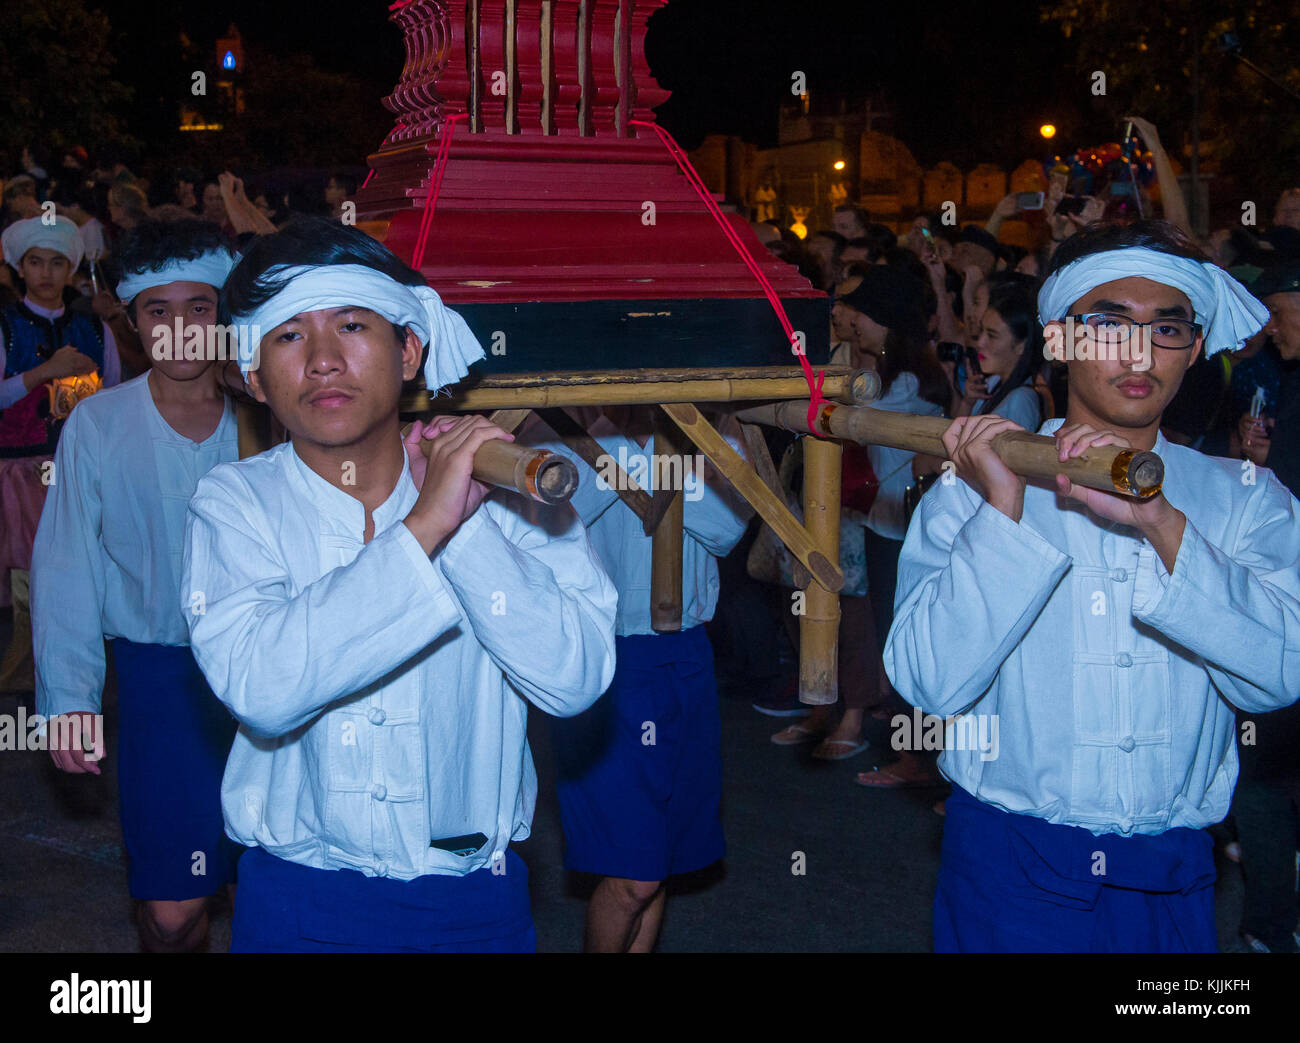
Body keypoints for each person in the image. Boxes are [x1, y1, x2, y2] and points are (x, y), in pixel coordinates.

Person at [183, 217, 617, 952]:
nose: (323, 359)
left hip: (471, 909)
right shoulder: (234, 503)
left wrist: (468, 528)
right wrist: (425, 527)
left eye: (352, 325)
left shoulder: (504, 488)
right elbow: (262, 682)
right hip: (296, 904)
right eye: (288, 335)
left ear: (409, 349)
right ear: (253, 376)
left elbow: (575, 678)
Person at [885, 219, 1300, 953]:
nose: (1140, 352)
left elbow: (1280, 672)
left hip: (1175, 875)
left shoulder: (1243, 497)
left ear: (1195, 347)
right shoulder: (974, 488)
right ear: (1060, 340)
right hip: (1009, 868)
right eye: (1108, 325)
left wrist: (1162, 523)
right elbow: (929, 684)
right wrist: (1005, 513)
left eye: (1167, 329)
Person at [32, 219, 242, 952]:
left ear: (226, 315)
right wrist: (69, 698)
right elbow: (66, 569)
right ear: (131, 320)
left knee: (269, 882)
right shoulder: (98, 423)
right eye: (158, 310)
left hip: (278, 681)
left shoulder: (273, 419)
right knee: (173, 908)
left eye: (200, 308)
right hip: (161, 687)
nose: (180, 328)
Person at [523, 405, 751, 951]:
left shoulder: (713, 434)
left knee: (662, 855)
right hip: (603, 661)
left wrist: (651, 454)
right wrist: (638, 452)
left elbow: (726, 528)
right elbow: (555, 521)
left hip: (688, 653)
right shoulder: (548, 432)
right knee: (634, 873)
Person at [774, 265, 945, 763]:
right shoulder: (864, 363)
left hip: (901, 522)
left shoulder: (908, 379)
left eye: (863, 312)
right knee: (862, 619)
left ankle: (910, 752)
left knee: (888, 627)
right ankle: (876, 730)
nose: (852, 319)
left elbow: (845, 416)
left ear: (887, 322)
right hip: (873, 516)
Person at [0, 216, 121, 696]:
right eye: (36, 262)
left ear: (71, 268)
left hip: (82, 467)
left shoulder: (93, 326)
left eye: (56, 263)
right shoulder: (6, 326)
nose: (46, 273)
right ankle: (29, 674)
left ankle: (82, 669)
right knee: (33, 577)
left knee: (83, 566)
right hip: (23, 469)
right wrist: (44, 372)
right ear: (20, 268)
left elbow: (114, 391)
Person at [951, 280, 1044, 432]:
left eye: (992, 336)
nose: (980, 342)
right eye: (982, 331)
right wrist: (968, 402)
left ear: (1021, 346)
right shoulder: (992, 383)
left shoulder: (1021, 400)